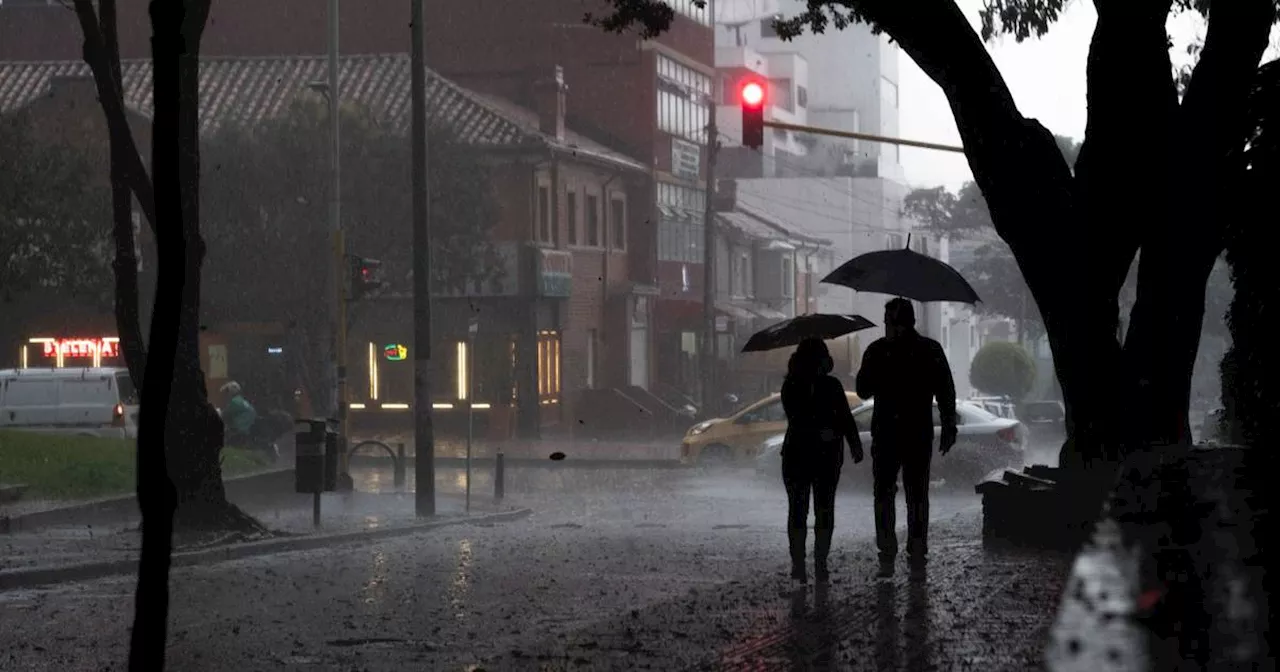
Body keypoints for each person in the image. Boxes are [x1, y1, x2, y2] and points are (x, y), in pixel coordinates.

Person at [856, 298, 957, 578]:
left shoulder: (877, 351)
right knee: (917, 493)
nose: (885, 325)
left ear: (895, 322)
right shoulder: (930, 350)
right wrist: (949, 426)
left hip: (887, 432)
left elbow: (862, 390)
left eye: (888, 320)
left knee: (885, 492)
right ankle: (916, 549)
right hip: (918, 432)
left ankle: (887, 551)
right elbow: (946, 391)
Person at [780, 338, 864, 583]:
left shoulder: (803, 385)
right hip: (819, 456)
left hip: (805, 456)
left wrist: (853, 443)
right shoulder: (797, 386)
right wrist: (852, 443)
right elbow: (804, 417)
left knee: (807, 511)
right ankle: (810, 564)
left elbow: (845, 418)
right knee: (814, 511)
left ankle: (811, 564)